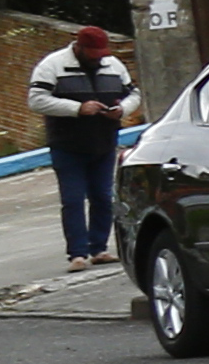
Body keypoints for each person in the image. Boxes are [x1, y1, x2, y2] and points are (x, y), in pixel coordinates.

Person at [29, 22, 132, 268]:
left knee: (103, 197)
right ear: (80, 47)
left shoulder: (113, 65)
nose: (98, 59)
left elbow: (133, 94)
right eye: (93, 54)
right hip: (67, 145)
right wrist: (77, 109)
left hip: (104, 141)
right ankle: (77, 253)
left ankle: (99, 249)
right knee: (73, 199)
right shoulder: (52, 65)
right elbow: (36, 100)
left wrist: (122, 110)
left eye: (101, 54)